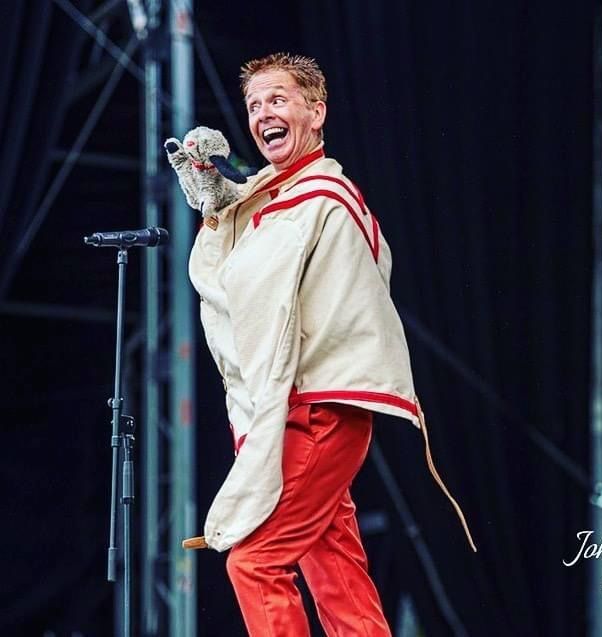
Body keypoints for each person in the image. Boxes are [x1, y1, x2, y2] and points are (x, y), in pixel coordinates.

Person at [181, 52, 476, 636]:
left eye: (278, 99)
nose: (263, 113)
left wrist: (221, 208)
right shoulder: (289, 198)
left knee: (255, 562)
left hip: (319, 412)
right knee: (334, 569)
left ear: (316, 113)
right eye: (254, 105)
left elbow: (245, 286)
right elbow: (251, 272)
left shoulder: (320, 197)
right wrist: (219, 203)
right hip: (310, 410)